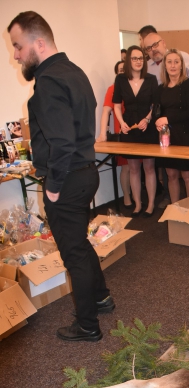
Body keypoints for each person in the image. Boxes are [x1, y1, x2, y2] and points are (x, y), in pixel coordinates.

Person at [8, 11, 113, 342]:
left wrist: (52, 188)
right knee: (79, 244)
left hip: (66, 180)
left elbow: (63, 143)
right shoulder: (74, 71)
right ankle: (102, 298)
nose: (15, 55)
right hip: (85, 173)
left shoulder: (49, 82)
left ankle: (87, 326)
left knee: (73, 254)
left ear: (39, 43)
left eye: (18, 46)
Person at [113, 45, 158, 217]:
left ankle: (150, 204)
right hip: (129, 129)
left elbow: (155, 105)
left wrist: (147, 119)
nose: (138, 61)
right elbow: (117, 106)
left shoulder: (151, 79)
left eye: (141, 58)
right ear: (128, 61)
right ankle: (138, 204)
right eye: (134, 58)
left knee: (149, 167)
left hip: (148, 128)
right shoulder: (120, 80)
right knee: (133, 168)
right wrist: (122, 123)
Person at [154, 49, 189, 203]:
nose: (173, 65)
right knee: (171, 175)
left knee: (188, 175)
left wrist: (167, 119)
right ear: (165, 66)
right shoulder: (160, 88)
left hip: (185, 135)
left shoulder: (188, 84)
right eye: (169, 62)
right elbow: (157, 111)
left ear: (181, 65)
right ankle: (175, 209)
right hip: (167, 137)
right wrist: (158, 121)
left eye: (176, 62)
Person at [142, 32, 189, 121]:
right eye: (149, 48)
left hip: (182, 114)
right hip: (160, 117)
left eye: (155, 44)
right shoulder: (147, 67)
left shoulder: (182, 56)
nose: (153, 49)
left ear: (163, 43)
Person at [96, 60, 132, 207]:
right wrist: (102, 134)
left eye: (125, 69)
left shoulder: (136, 86)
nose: (123, 72)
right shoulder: (113, 89)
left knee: (138, 168)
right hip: (122, 135)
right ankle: (127, 198)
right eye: (120, 70)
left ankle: (137, 197)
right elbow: (106, 111)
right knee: (127, 167)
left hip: (138, 133)